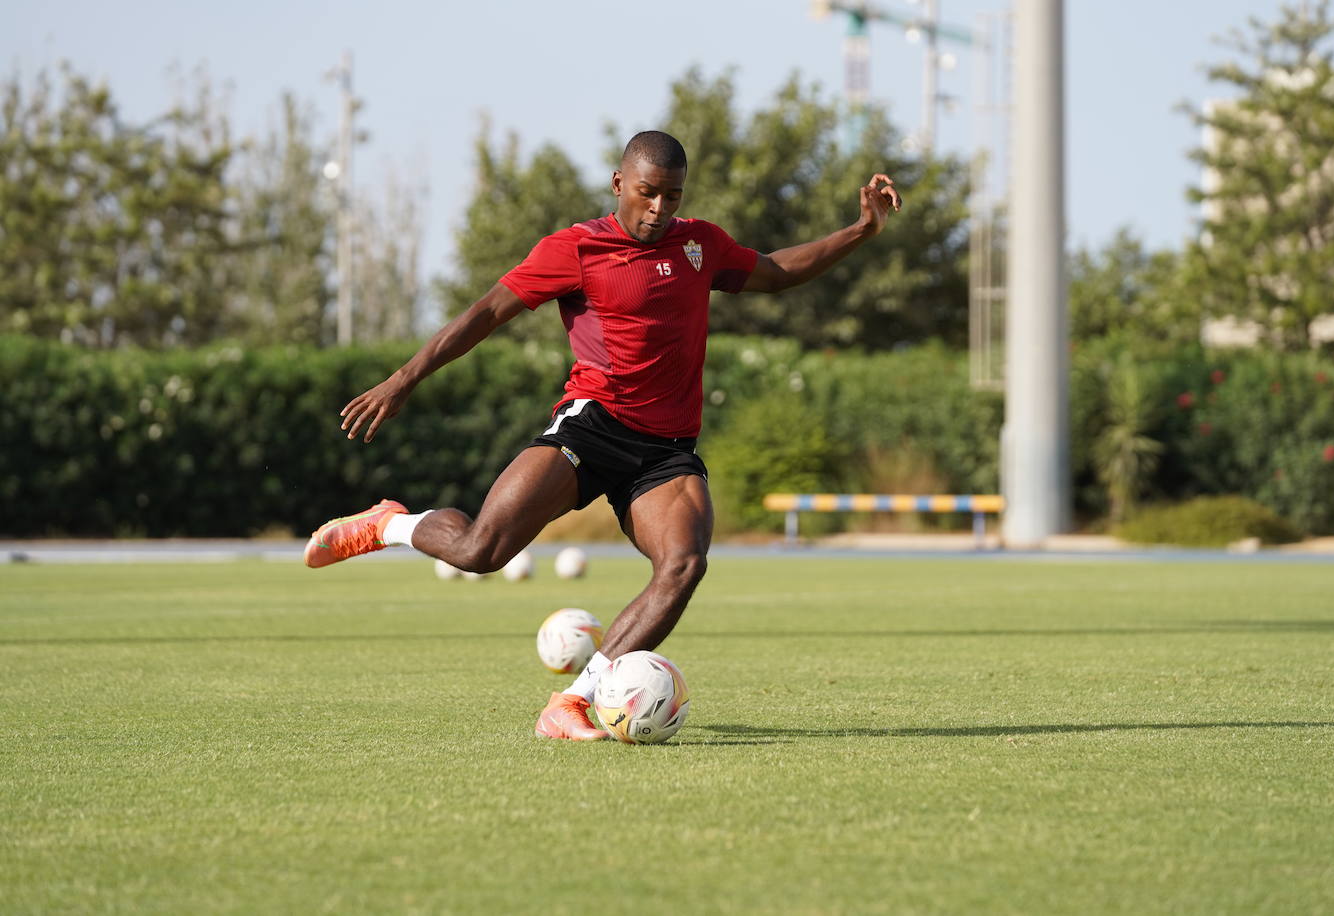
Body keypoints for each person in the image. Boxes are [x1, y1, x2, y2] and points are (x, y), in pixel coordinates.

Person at [304, 130, 901, 740]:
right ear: (619, 184)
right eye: (647, 193)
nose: (659, 209)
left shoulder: (701, 243)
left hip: (666, 452)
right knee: (481, 552)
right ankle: (390, 524)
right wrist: (404, 379)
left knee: (683, 565)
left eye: (672, 196)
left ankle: (573, 702)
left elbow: (774, 272)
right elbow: (485, 312)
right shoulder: (577, 249)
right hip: (592, 428)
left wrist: (860, 231)